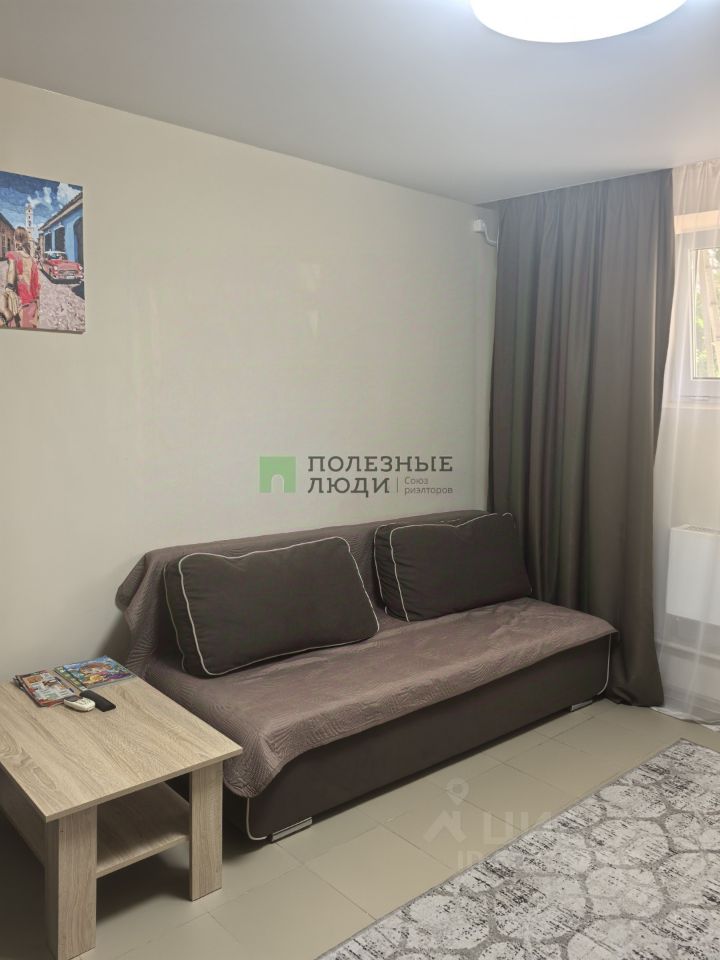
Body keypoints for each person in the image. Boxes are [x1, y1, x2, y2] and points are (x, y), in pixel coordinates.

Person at [5, 226, 40, 329]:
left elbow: (11, 271)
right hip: (32, 302)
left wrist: (8, 288)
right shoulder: (32, 260)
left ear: (15, 239)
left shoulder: (13, 255)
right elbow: (36, 283)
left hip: (19, 302)